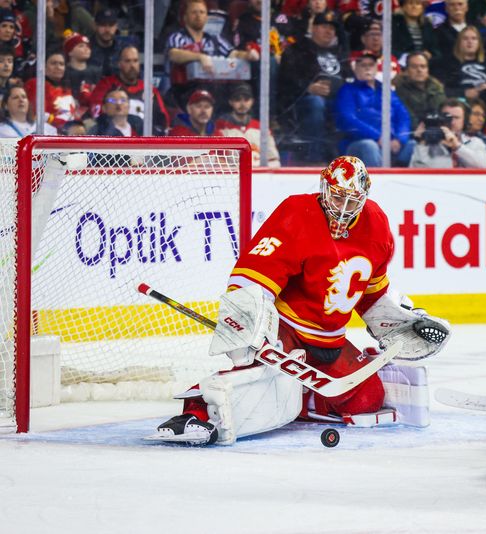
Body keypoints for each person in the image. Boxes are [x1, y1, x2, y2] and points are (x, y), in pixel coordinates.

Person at [150, 156, 450, 445]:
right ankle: (193, 415)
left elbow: (371, 293)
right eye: (337, 198)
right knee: (254, 378)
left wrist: (404, 321)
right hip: (286, 329)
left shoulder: (377, 224)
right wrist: (250, 328)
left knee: (367, 398)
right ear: (324, 188)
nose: (344, 208)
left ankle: (300, 400)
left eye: (353, 200)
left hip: (330, 340)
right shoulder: (297, 212)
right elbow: (253, 276)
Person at [277, 10, 349, 164]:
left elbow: (348, 78)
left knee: (353, 106)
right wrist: (308, 87)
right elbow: (286, 79)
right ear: (314, 28)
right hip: (301, 102)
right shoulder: (297, 49)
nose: (329, 31)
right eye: (324, 26)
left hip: (337, 100)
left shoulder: (340, 52)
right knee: (316, 103)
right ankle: (314, 159)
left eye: (332, 28)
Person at [165, 0, 257, 108]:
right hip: (186, 89)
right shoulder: (178, 37)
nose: (198, 16)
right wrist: (200, 57)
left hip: (216, 87)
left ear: (207, 17)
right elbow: (174, 54)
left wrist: (247, 55)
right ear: (185, 17)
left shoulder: (215, 39)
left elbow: (233, 53)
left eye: (202, 12)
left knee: (242, 89)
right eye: (194, 12)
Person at [334, 51, 413, 168]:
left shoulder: (386, 90)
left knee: (412, 145)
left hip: (390, 143)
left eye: (371, 65)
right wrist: (377, 137)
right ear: (355, 68)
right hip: (359, 143)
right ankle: (378, 183)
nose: (367, 68)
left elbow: (403, 116)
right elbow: (347, 119)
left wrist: (399, 139)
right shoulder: (347, 90)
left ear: (376, 68)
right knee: (369, 146)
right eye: (363, 65)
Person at [88, 45, 170, 135]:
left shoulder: (149, 89)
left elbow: (163, 120)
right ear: (119, 64)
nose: (132, 65)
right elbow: (96, 115)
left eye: (135, 61)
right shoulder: (106, 84)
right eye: (127, 61)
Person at [410, 98, 486, 168]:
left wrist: (457, 147)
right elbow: (417, 171)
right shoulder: (428, 144)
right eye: (447, 117)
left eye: (456, 118)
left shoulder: (475, 142)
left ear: (465, 121)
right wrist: (421, 142)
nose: (452, 122)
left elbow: (482, 166)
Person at [216, 82, 281, 167]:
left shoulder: (261, 127)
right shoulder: (221, 127)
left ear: (252, 101)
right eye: (237, 99)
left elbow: (274, 159)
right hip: (233, 177)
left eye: (246, 99)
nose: (242, 104)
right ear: (230, 102)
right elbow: (217, 161)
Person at [23, 49, 78, 129]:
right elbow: (37, 115)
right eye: (53, 63)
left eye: (61, 64)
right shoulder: (36, 84)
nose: (58, 67)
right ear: (43, 67)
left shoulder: (67, 90)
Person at [394, 51, 447, 129]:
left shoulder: (437, 88)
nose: (419, 70)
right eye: (414, 67)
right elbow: (407, 117)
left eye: (423, 66)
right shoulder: (398, 89)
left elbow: (441, 112)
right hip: (411, 132)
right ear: (407, 70)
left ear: (427, 70)